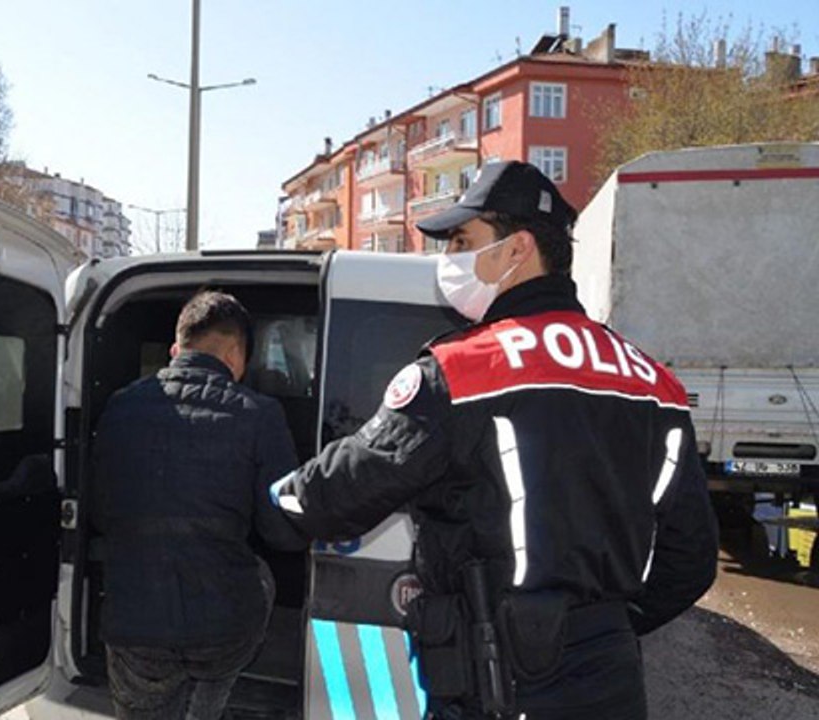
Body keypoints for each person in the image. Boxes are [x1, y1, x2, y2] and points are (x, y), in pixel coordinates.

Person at [272, 162, 718, 720]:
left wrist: (274, 495)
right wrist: (598, 630)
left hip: (500, 684)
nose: (449, 258)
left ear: (517, 249)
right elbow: (690, 562)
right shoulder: (654, 382)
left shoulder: (463, 371)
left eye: (463, 240)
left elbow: (339, 495)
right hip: (612, 685)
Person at [91, 290, 308, 720]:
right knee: (260, 580)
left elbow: (100, 513)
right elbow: (282, 533)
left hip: (135, 623)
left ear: (177, 349)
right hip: (222, 629)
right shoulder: (261, 414)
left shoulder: (119, 406)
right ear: (235, 353)